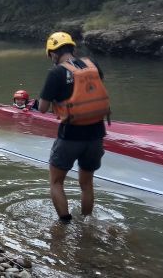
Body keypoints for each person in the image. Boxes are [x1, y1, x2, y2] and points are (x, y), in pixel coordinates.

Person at [38, 32, 110, 224]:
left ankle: (64, 225)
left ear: (53, 54)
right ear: (73, 49)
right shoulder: (93, 65)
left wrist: (35, 103)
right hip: (96, 135)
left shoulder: (56, 73)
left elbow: (43, 109)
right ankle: (86, 224)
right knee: (87, 184)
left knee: (56, 182)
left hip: (70, 136)